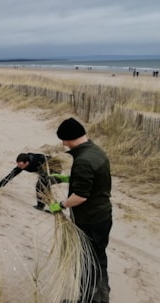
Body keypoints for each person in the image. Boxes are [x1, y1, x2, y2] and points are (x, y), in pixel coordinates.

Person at [51, 117, 112, 303]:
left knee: (87, 263)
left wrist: (61, 205)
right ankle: (102, 297)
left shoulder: (83, 160)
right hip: (103, 216)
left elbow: (81, 196)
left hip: (90, 220)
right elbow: (94, 180)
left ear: (70, 138)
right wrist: (67, 179)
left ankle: (88, 299)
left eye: (64, 139)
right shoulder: (96, 151)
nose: (63, 144)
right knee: (99, 259)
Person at [0, 153, 66, 211]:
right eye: (18, 165)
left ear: (27, 163)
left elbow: (44, 179)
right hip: (44, 168)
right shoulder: (23, 163)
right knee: (41, 185)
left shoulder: (36, 162)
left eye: (21, 165)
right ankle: (47, 206)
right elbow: (12, 174)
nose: (19, 167)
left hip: (54, 168)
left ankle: (47, 206)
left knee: (41, 185)